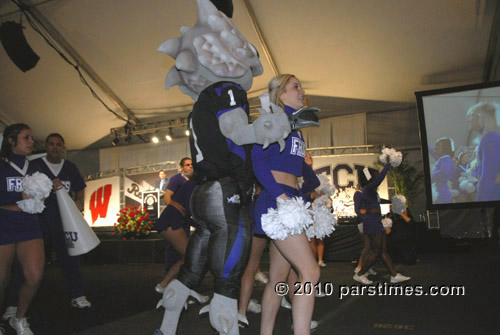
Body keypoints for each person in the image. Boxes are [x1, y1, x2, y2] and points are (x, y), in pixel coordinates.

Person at [154, 1, 290, 334]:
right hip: (226, 189)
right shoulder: (227, 91)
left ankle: (167, 327)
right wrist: (270, 127)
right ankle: (226, 324)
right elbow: (236, 131)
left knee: (193, 269)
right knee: (228, 277)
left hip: (202, 194)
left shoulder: (201, 102)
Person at [253, 74, 321, 335]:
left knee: (278, 279)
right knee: (311, 272)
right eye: (295, 86)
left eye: (301, 86)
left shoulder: (298, 128)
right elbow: (257, 162)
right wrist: (279, 197)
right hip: (277, 201)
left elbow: (302, 177)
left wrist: (305, 203)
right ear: (281, 94)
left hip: (290, 202)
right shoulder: (271, 121)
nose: (302, 90)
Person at [0, 124, 45, 335]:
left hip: (29, 225)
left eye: (31, 138)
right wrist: (20, 197)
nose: (31, 142)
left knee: (34, 275)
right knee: (1, 279)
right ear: (11, 141)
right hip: (4, 225)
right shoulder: (2, 165)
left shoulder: (35, 167)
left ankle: (19, 318)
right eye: (26, 138)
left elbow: (41, 196)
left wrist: (47, 190)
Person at [352, 163, 411, 285]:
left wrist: (393, 201)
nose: (376, 177)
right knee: (376, 251)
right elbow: (379, 180)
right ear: (369, 177)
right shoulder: (368, 189)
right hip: (372, 222)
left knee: (383, 250)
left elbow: (379, 201)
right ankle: (360, 274)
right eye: (374, 175)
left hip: (376, 220)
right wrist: (387, 165)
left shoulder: (371, 191)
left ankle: (394, 275)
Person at [466, 102, 500, 201]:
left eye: (472, 115)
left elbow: (488, 177)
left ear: (483, 117)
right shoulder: (491, 137)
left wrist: (479, 203)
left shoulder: (490, 138)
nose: (468, 120)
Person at [429, 137, 455, 204]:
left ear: (445, 147)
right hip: (438, 190)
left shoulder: (447, 159)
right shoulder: (442, 158)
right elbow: (432, 151)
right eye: (435, 145)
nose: (435, 147)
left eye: (438, 145)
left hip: (441, 194)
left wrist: (430, 180)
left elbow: (443, 172)